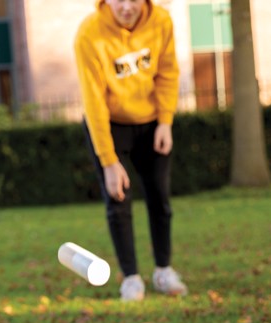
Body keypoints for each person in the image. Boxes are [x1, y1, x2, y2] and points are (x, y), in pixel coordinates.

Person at [74, 0, 188, 301]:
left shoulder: (161, 21)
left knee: (159, 197)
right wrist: (109, 161)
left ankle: (163, 270)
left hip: (152, 122)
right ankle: (132, 278)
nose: (126, 7)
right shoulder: (90, 34)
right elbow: (93, 101)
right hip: (109, 124)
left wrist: (165, 121)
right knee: (118, 200)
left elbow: (167, 72)